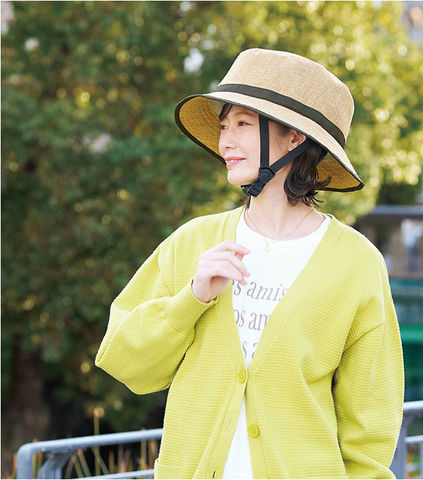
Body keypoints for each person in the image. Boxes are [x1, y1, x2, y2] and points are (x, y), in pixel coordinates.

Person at [95, 48, 404, 479]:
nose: (225, 142)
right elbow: (125, 361)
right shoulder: (193, 242)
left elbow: (370, 422)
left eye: (242, 124)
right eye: (224, 126)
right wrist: (191, 299)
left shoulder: (356, 264)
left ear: (294, 138)